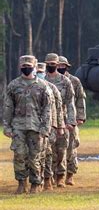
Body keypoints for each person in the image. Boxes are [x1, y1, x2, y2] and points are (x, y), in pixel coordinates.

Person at [3, 55, 52, 194]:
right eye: (24, 66)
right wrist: (6, 127)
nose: (26, 68)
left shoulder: (43, 86)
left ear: (35, 66)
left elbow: (47, 109)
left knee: (35, 156)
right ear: (20, 67)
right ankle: (21, 183)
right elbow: (8, 107)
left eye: (29, 66)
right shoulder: (13, 85)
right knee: (19, 155)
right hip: (18, 126)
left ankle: (35, 184)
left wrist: (45, 128)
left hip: (36, 127)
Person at [44, 53, 76, 187]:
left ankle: (60, 176)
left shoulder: (65, 81)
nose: (51, 66)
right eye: (49, 64)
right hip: (47, 120)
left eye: (54, 64)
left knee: (62, 149)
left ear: (58, 65)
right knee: (48, 149)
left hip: (62, 120)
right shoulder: (41, 80)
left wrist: (71, 121)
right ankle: (48, 176)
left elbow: (70, 102)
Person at [58, 55, 87, 186]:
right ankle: (57, 174)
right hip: (56, 120)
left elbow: (80, 99)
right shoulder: (48, 80)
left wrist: (80, 117)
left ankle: (70, 174)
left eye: (62, 66)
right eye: (58, 66)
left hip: (71, 118)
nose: (60, 68)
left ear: (67, 67)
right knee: (56, 149)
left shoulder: (74, 81)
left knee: (72, 147)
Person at [37, 62, 65, 191]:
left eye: (41, 72)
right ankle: (35, 179)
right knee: (32, 154)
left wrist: (60, 126)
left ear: (45, 73)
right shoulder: (27, 87)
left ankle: (48, 178)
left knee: (48, 152)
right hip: (32, 125)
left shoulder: (52, 88)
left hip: (49, 126)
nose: (39, 74)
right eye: (37, 72)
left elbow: (58, 109)